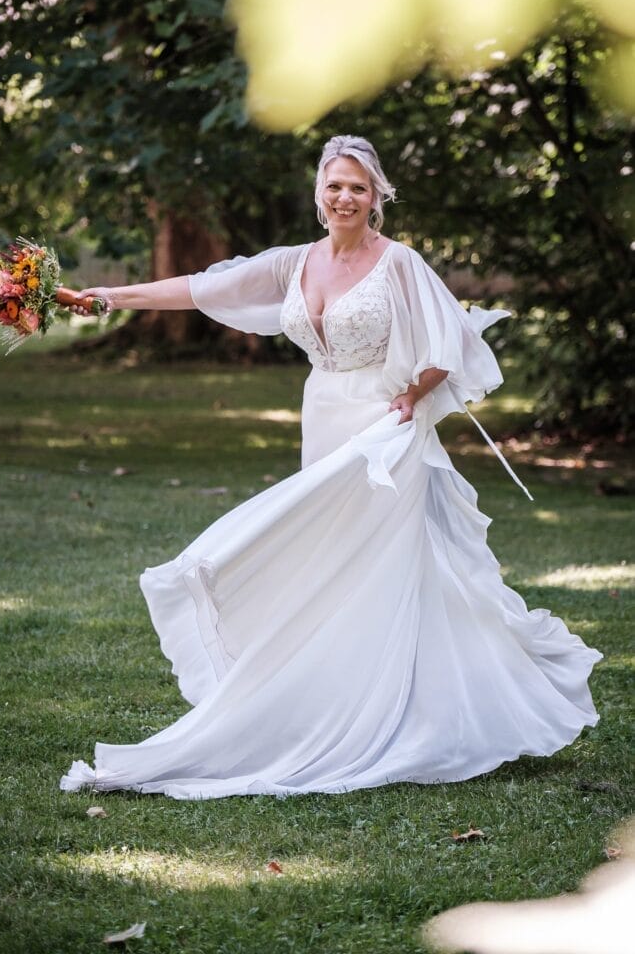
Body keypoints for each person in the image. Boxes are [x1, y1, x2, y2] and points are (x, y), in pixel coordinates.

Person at [60, 135, 601, 800]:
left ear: (376, 198)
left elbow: (453, 339)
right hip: (323, 413)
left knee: (379, 560)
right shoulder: (295, 262)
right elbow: (203, 288)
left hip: (381, 429)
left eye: (358, 188)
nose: (345, 197)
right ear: (318, 193)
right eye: (334, 185)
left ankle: (405, 710)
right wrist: (111, 296)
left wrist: (413, 393)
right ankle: (335, 687)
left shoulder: (397, 262)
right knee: (326, 555)